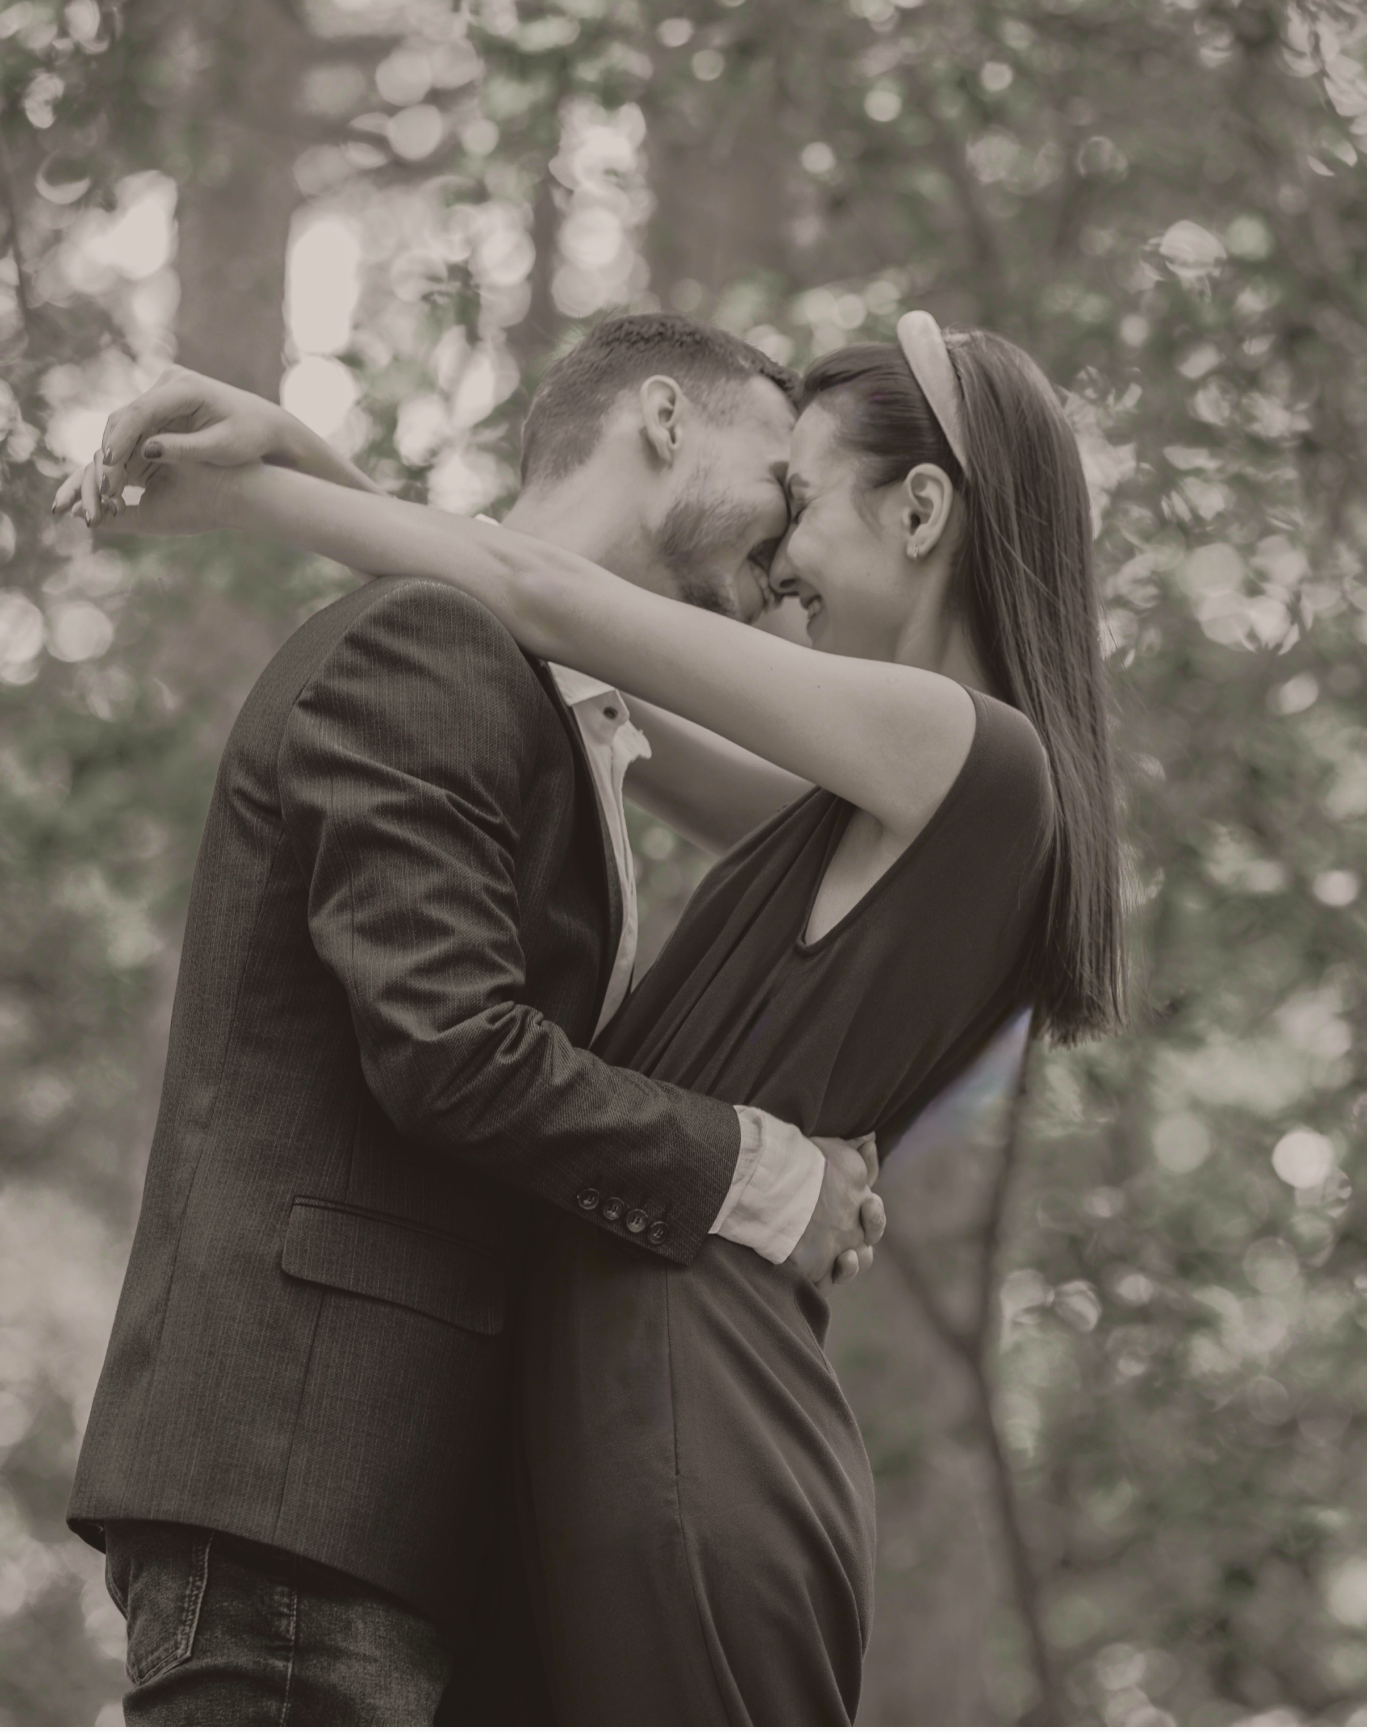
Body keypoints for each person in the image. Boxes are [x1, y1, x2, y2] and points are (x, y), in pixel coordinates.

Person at [71, 308, 1124, 1726]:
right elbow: (557, 637)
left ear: (923, 508)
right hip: (605, 1419)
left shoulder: (954, 747)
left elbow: (548, 598)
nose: (778, 569)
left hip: (688, 1423)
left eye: (802, 506)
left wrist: (258, 497)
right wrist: (312, 458)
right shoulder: (871, 795)